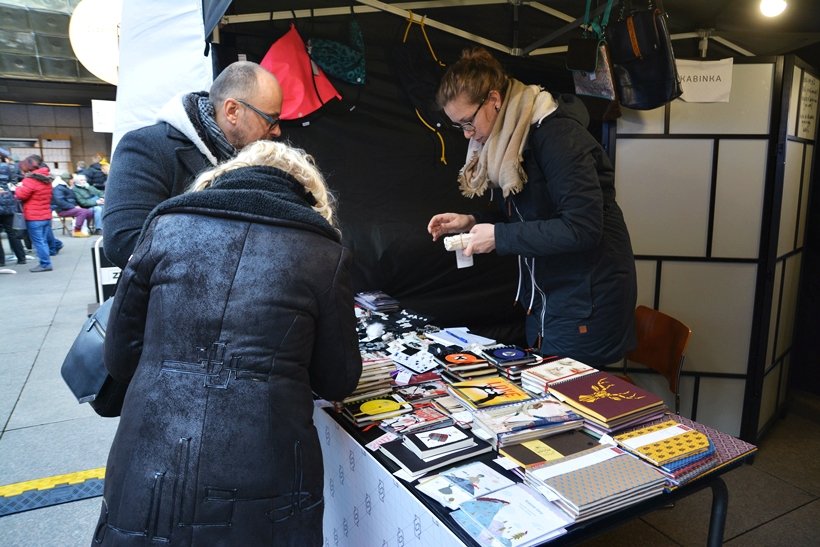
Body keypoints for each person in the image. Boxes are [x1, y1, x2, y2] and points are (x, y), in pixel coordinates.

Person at [93, 140, 362, 546]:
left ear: (226, 175)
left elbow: (119, 358)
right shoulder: (324, 253)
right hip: (267, 468)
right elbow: (338, 379)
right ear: (309, 194)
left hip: (151, 454)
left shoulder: (164, 226)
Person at [427, 47, 637, 366]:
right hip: (549, 298)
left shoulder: (558, 137)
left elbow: (582, 228)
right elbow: (525, 216)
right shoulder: (511, 142)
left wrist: (499, 237)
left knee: (572, 404)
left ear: (494, 99)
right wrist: (470, 221)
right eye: (460, 127)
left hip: (588, 301)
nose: (468, 134)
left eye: (468, 121)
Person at [103, 60, 284, 268]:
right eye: (271, 119)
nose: (277, 131)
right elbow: (124, 241)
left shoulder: (256, 159)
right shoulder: (145, 146)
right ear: (232, 110)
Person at [14, 155, 62, 272]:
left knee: (39, 242)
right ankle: (48, 260)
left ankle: (45, 264)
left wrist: (17, 188)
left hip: (34, 216)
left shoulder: (30, 180)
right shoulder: (46, 179)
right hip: (46, 214)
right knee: (43, 241)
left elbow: (20, 195)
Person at [51, 171, 94, 238]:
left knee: (89, 212)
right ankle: (77, 230)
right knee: (83, 212)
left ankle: (86, 228)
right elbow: (60, 201)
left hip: (68, 208)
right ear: (67, 180)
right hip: (62, 210)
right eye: (71, 180)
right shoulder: (59, 188)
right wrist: (74, 206)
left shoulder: (66, 187)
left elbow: (71, 199)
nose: (72, 181)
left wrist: (76, 206)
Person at [0, 177, 26, 266]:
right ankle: (21, 258)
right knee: (12, 234)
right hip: (9, 210)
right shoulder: (7, 181)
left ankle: (1, 261)